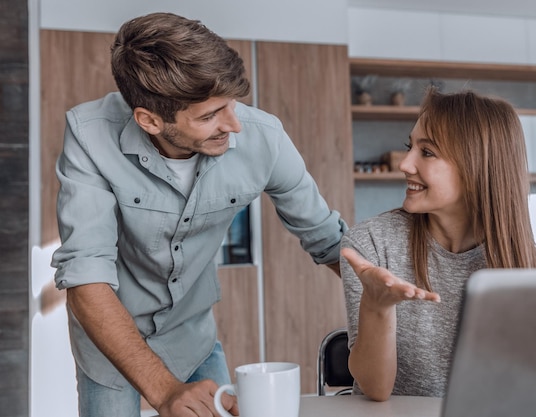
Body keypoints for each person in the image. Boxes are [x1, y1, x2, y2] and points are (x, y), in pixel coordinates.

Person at [51, 12, 347, 417]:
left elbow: (328, 239)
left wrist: (380, 290)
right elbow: (85, 276)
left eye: (231, 104)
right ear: (150, 120)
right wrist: (164, 390)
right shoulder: (90, 136)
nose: (234, 125)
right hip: (110, 342)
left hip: (194, 337)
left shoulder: (265, 137)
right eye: (209, 116)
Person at [340, 87, 536, 402]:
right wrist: (376, 305)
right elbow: (375, 388)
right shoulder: (370, 245)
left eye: (427, 152)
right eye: (409, 147)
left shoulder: (531, 269)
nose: (405, 164)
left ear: (476, 167)